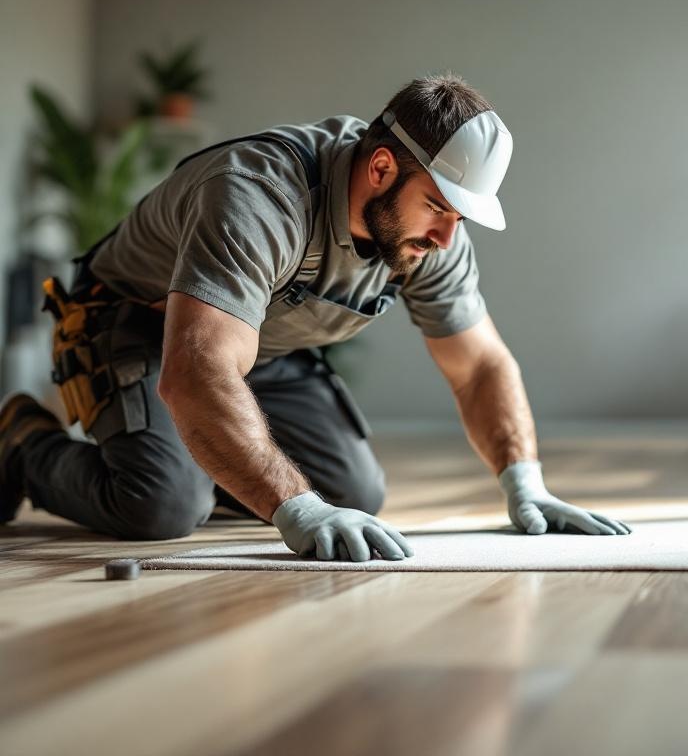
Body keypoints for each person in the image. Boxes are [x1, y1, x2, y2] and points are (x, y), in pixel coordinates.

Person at [0, 72, 630, 562]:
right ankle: (22, 442)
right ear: (381, 167)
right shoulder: (258, 196)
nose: (446, 236)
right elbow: (195, 370)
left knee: (355, 502)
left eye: (460, 217)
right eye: (438, 207)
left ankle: (205, 453)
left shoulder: (430, 237)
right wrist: (293, 505)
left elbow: (479, 365)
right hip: (135, 324)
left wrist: (525, 482)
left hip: (261, 348)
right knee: (159, 506)